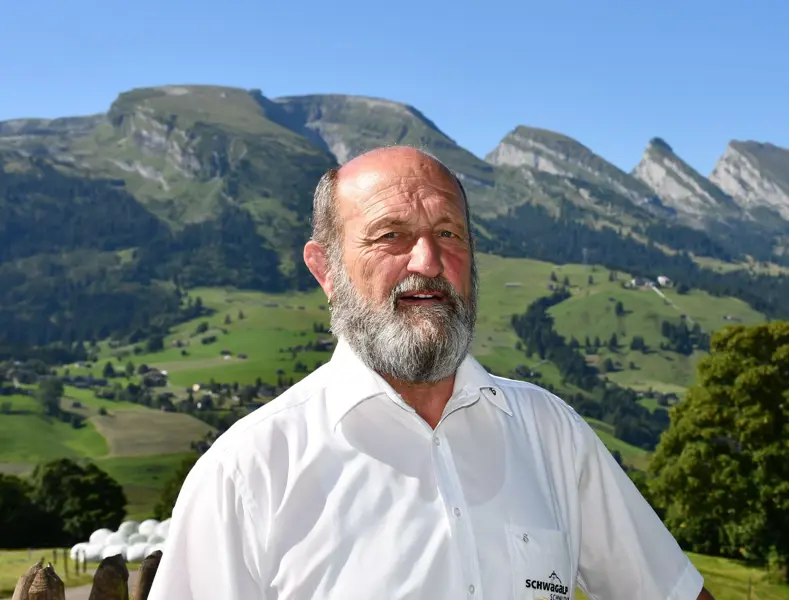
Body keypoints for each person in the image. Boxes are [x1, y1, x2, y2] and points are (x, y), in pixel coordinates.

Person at [148, 146, 713, 600]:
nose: (428, 261)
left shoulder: (551, 433)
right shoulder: (247, 473)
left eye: (448, 234)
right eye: (390, 235)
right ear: (326, 269)